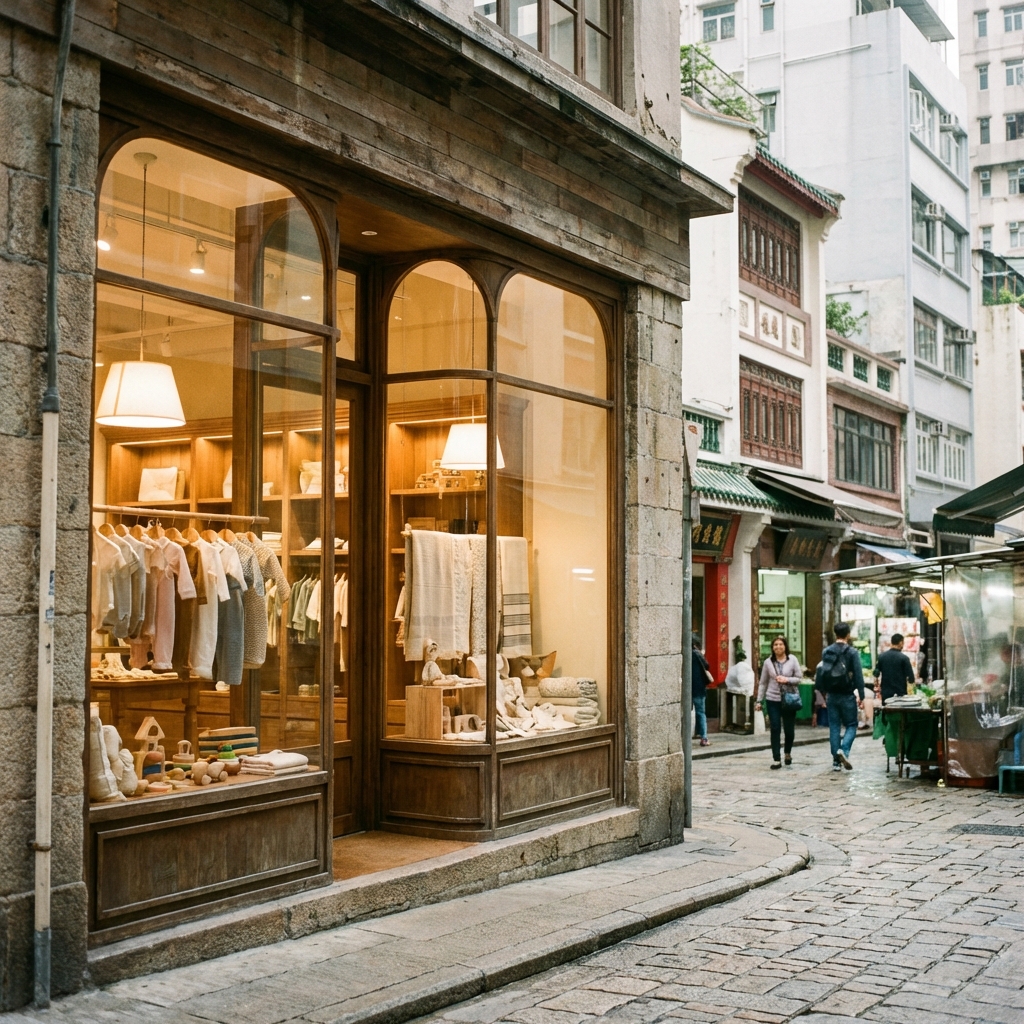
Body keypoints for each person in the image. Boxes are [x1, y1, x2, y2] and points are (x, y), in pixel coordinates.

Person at [815, 622, 865, 772]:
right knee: (851, 725)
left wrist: (823, 692)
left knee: (834, 727)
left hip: (832, 695)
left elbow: (823, 672)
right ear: (848, 634)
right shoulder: (852, 652)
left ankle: (836, 762)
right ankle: (844, 750)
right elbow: (858, 675)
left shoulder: (827, 651)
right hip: (847, 694)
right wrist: (861, 695)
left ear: (835, 633)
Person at [755, 635, 802, 769]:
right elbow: (763, 683)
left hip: (789, 699)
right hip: (772, 699)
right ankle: (776, 758)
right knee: (775, 728)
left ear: (785, 646)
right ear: (772, 648)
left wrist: (787, 680)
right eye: (775, 645)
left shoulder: (792, 660)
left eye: (781, 644)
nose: (778, 647)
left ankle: (787, 752)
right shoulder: (768, 662)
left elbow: (799, 678)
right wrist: (759, 700)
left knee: (789, 730)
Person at [873, 634, 915, 705]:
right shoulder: (904, 658)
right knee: (899, 714)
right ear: (901, 642)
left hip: (886, 694)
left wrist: (877, 684)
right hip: (900, 694)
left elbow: (876, 673)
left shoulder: (882, 657)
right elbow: (911, 678)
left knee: (887, 712)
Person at [692, 636, 712, 747]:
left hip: (687, 687)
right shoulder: (697, 653)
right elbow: (707, 665)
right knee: (700, 712)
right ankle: (704, 737)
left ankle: (694, 733)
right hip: (699, 687)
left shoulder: (684, 653)